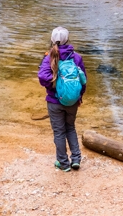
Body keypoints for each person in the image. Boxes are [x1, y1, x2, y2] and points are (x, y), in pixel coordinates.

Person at [37, 26, 87, 171]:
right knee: (70, 128)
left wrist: (54, 85)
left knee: (59, 132)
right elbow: (83, 80)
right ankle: (76, 159)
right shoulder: (76, 57)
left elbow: (42, 77)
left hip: (54, 102)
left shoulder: (49, 57)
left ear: (52, 40)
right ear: (68, 39)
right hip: (72, 101)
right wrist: (79, 97)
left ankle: (63, 164)